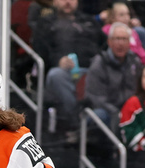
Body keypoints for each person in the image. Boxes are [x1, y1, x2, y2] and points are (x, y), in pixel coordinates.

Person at [33, 0, 106, 139]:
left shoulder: (88, 21)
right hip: (62, 73)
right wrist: (57, 61)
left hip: (90, 72)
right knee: (56, 75)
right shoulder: (46, 23)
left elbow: (103, 45)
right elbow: (40, 50)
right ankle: (76, 120)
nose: (68, 2)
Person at [84, 22, 144, 129]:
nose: (120, 43)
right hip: (108, 111)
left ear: (129, 42)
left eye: (124, 39)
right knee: (99, 115)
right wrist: (117, 113)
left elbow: (140, 91)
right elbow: (97, 99)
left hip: (130, 109)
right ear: (109, 42)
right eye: (117, 39)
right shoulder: (99, 64)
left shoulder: (135, 61)